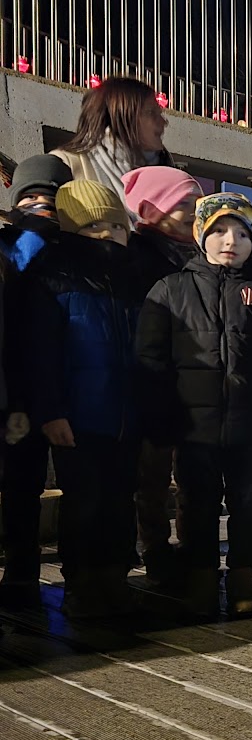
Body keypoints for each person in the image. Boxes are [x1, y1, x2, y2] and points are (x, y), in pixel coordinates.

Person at [138, 193, 252, 618]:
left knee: (248, 502)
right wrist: (161, 416)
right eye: (219, 231)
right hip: (193, 425)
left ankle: (244, 580)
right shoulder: (171, 289)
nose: (231, 241)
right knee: (196, 504)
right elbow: (151, 360)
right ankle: (201, 582)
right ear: (200, 235)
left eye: (242, 233)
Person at [25, 181, 145, 617]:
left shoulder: (134, 279)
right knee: (83, 501)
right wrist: (51, 411)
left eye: (117, 225)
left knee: (120, 499)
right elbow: (41, 354)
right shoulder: (54, 278)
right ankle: (80, 583)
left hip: (127, 416)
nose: (107, 234)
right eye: (93, 226)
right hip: (79, 416)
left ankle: (115, 579)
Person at [122, 166, 204, 586]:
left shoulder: (201, 255)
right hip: (154, 378)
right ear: (154, 208)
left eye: (195, 202)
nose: (193, 211)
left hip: (196, 380)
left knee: (193, 473)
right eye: (183, 203)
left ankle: (192, 548)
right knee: (150, 475)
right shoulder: (135, 255)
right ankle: (154, 549)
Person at [0, 155, 74, 607]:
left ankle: (35, 572)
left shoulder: (75, 249)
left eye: (50, 200)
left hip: (62, 387)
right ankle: (21, 572)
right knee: (20, 485)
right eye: (30, 198)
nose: (41, 207)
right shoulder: (11, 246)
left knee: (42, 484)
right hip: (16, 388)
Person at [50, 77, 171, 208]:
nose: (163, 122)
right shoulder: (66, 165)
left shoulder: (169, 176)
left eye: (159, 113)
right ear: (120, 115)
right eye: (151, 112)